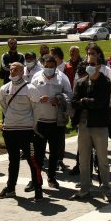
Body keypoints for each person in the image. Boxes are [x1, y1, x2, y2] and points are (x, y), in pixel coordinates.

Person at [0, 63, 42, 200]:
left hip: (27, 131)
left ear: (22, 72)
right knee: (13, 161)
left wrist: (30, 124)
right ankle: (10, 189)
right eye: (11, 69)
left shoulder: (30, 89)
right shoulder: (4, 89)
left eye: (15, 69)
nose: (12, 71)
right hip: (10, 130)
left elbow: (36, 109)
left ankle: (38, 190)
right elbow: (4, 107)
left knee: (32, 160)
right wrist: (12, 119)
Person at [70, 55, 111, 202]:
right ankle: (84, 189)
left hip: (99, 125)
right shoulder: (81, 82)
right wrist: (86, 102)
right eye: (88, 64)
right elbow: (74, 102)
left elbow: (100, 103)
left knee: (102, 160)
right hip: (83, 125)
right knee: (83, 159)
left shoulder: (105, 82)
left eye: (92, 64)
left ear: (99, 66)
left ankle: (106, 189)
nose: (89, 66)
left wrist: (84, 101)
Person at [29, 55, 72, 193]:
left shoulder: (62, 78)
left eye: (51, 67)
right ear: (42, 65)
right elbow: (29, 95)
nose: (48, 69)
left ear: (55, 66)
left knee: (54, 152)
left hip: (56, 122)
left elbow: (70, 97)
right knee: (38, 154)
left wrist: (57, 100)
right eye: (46, 66)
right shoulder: (36, 77)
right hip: (40, 122)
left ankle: (52, 177)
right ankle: (35, 179)